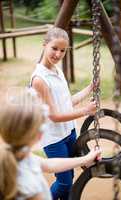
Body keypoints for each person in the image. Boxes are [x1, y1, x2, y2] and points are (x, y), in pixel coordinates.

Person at [30, 26, 98, 200]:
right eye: (54, 48)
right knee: (65, 182)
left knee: (70, 177)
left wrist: (90, 88)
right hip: (53, 139)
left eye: (63, 50)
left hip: (69, 132)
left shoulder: (57, 71)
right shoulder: (39, 79)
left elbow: (68, 102)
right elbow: (54, 116)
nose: (58, 54)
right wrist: (84, 111)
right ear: (44, 45)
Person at [0, 91, 101, 200]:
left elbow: (48, 164)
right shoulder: (32, 189)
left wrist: (86, 159)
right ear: (38, 134)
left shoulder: (15, 155)